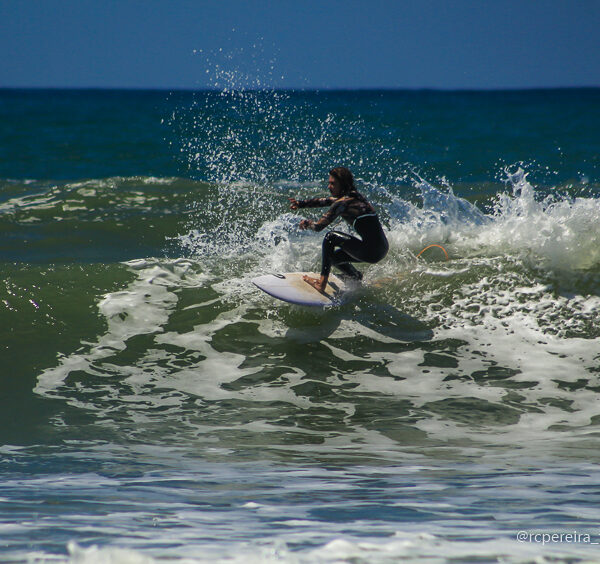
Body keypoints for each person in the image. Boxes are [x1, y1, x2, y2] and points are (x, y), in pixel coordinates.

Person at [289, 167, 389, 293]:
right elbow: (326, 201)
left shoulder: (342, 203)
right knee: (334, 258)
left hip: (370, 251)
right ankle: (355, 276)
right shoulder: (356, 197)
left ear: (343, 184)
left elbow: (318, 227)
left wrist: (308, 223)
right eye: (329, 183)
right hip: (381, 249)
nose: (329, 186)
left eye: (333, 183)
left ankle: (321, 283)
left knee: (330, 237)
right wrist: (300, 204)